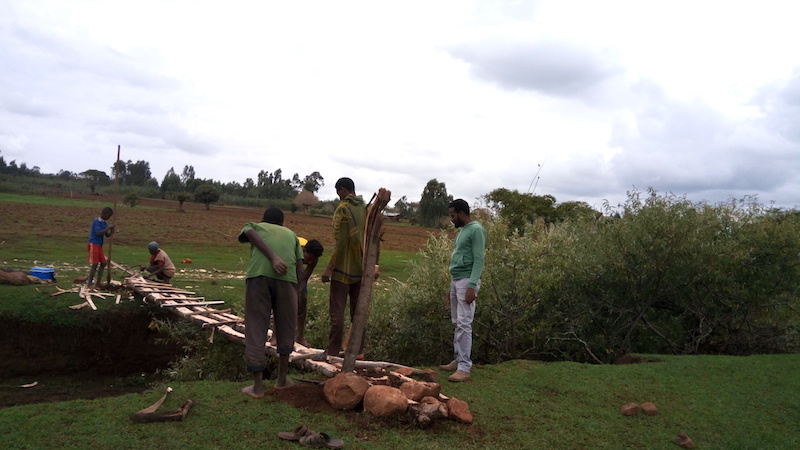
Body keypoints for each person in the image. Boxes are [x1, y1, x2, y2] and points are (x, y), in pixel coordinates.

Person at [239, 207, 303, 398]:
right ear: (282, 223)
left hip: (258, 278)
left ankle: (258, 387)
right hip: (288, 281)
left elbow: (248, 232)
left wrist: (272, 257)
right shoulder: (292, 235)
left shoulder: (255, 227)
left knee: (256, 327)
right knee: (286, 328)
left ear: (263, 220)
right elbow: (300, 268)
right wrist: (297, 293)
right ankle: (282, 380)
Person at [314, 177, 367, 361]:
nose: (338, 197)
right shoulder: (364, 208)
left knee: (337, 313)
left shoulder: (343, 209)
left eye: (339, 193)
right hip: (360, 269)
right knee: (357, 313)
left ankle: (332, 352)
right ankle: (358, 351)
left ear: (343, 190)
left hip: (342, 270)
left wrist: (329, 268)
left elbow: (340, 242)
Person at [439, 198, 486, 382]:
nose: (451, 219)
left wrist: (472, 286)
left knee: (464, 323)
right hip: (457, 280)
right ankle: (458, 360)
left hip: (467, 281)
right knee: (457, 321)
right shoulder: (464, 231)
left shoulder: (476, 230)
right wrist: (451, 286)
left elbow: (479, 259)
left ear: (461, 213)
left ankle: (464, 368)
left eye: (453, 215)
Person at [296, 237, 324, 347]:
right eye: (310, 258)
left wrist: (300, 295)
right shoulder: (296, 252)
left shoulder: (314, 258)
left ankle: (299, 337)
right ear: (304, 252)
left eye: (314, 259)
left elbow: (303, 279)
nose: (311, 261)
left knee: (303, 301)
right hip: (286, 267)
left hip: (300, 274)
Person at [86, 207, 115, 288]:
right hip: (94, 243)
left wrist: (111, 232)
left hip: (99, 245)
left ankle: (98, 283)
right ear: (105, 214)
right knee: (95, 264)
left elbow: (106, 235)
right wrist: (108, 228)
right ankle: (89, 284)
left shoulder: (104, 223)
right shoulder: (97, 221)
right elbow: (98, 233)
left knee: (103, 263)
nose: (109, 218)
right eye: (109, 216)